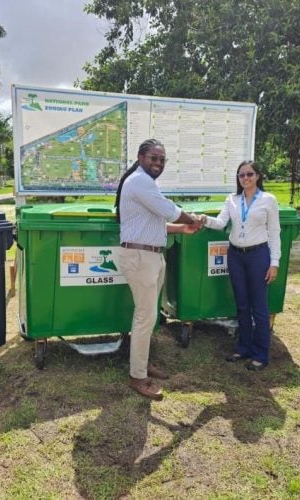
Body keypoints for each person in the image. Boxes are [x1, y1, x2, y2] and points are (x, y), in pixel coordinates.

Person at [116, 138, 202, 401]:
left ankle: (142, 364)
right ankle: (138, 376)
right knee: (145, 318)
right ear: (141, 157)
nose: (158, 163)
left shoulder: (145, 183)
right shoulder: (140, 181)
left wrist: (181, 228)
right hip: (141, 257)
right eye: (154, 157)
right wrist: (192, 220)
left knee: (149, 317)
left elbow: (155, 223)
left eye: (162, 159)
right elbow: (169, 210)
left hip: (150, 255)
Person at [202, 160, 281, 371]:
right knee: (242, 304)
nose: (245, 178)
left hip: (258, 255)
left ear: (258, 176)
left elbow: (274, 233)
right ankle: (243, 347)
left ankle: (260, 354)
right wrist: (202, 219)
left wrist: (274, 263)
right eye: (241, 175)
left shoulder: (268, 200)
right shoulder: (232, 200)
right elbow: (220, 223)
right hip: (236, 255)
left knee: (260, 307)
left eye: (249, 174)